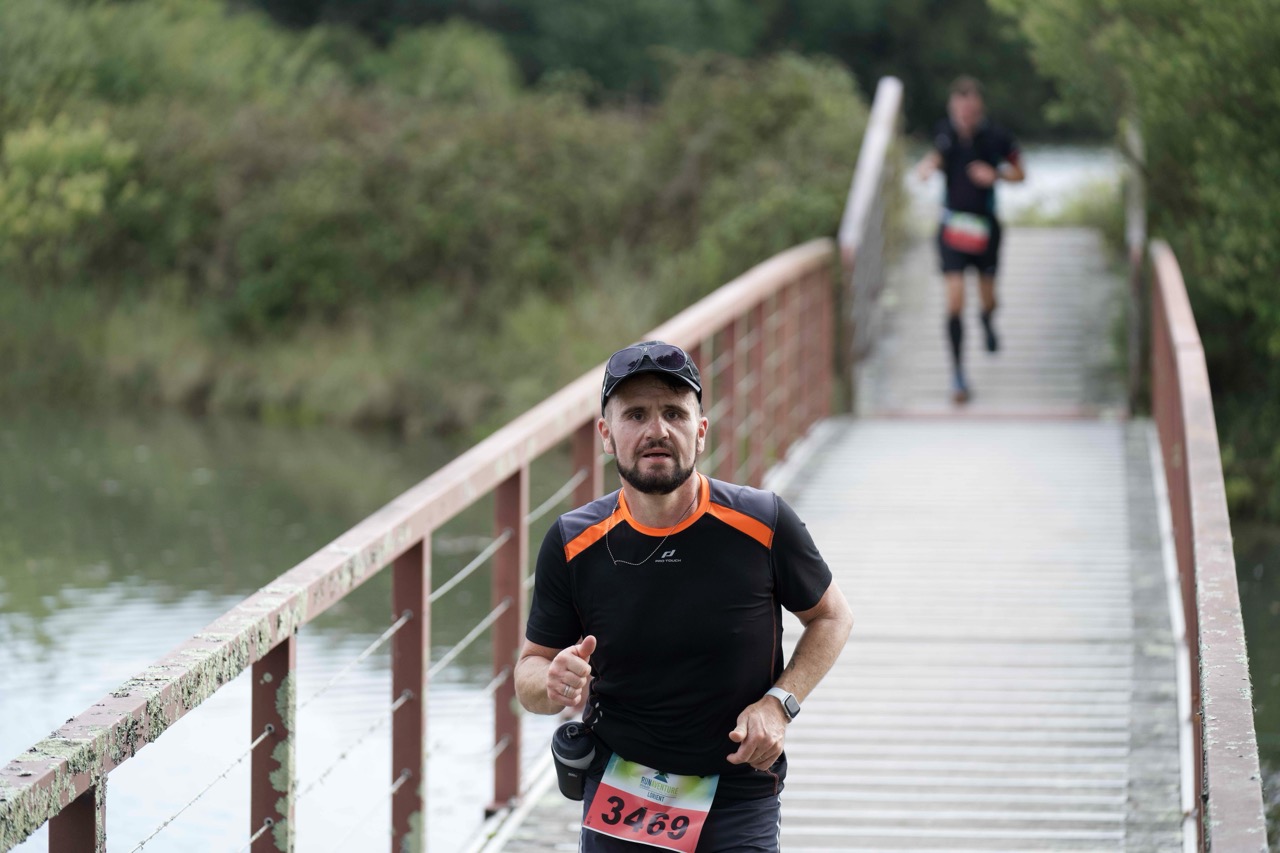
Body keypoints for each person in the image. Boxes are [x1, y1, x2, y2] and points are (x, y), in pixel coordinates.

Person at [515, 340, 853, 852]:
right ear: (606, 435)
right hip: (621, 787)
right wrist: (551, 680)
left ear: (700, 431)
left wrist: (778, 705)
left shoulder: (762, 522)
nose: (657, 430)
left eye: (674, 413)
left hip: (737, 785)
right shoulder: (572, 540)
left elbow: (832, 616)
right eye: (636, 415)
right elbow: (529, 673)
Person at [915, 76, 1025, 403]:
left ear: (980, 109)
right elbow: (936, 157)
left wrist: (997, 175)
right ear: (952, 108)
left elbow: (1021, 173)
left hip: (985, 227)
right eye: (960, 111)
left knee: (988, 297)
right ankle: (958, 375)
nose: (965, 117)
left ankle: (987, 318)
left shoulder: (997, 136)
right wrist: (926, 167)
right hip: (952, 228)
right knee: (954, 299)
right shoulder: (944, 133)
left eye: (971, 112)